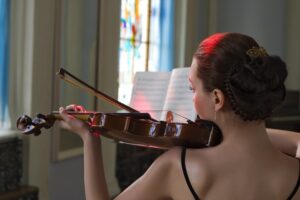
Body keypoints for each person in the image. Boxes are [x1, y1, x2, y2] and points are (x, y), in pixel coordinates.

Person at [59, 32, 300, 200]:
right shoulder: (294, 171)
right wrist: (239, 132)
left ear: (217, 99)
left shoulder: (180, 166)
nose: (192, 98)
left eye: (192, 89)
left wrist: (90, 139)